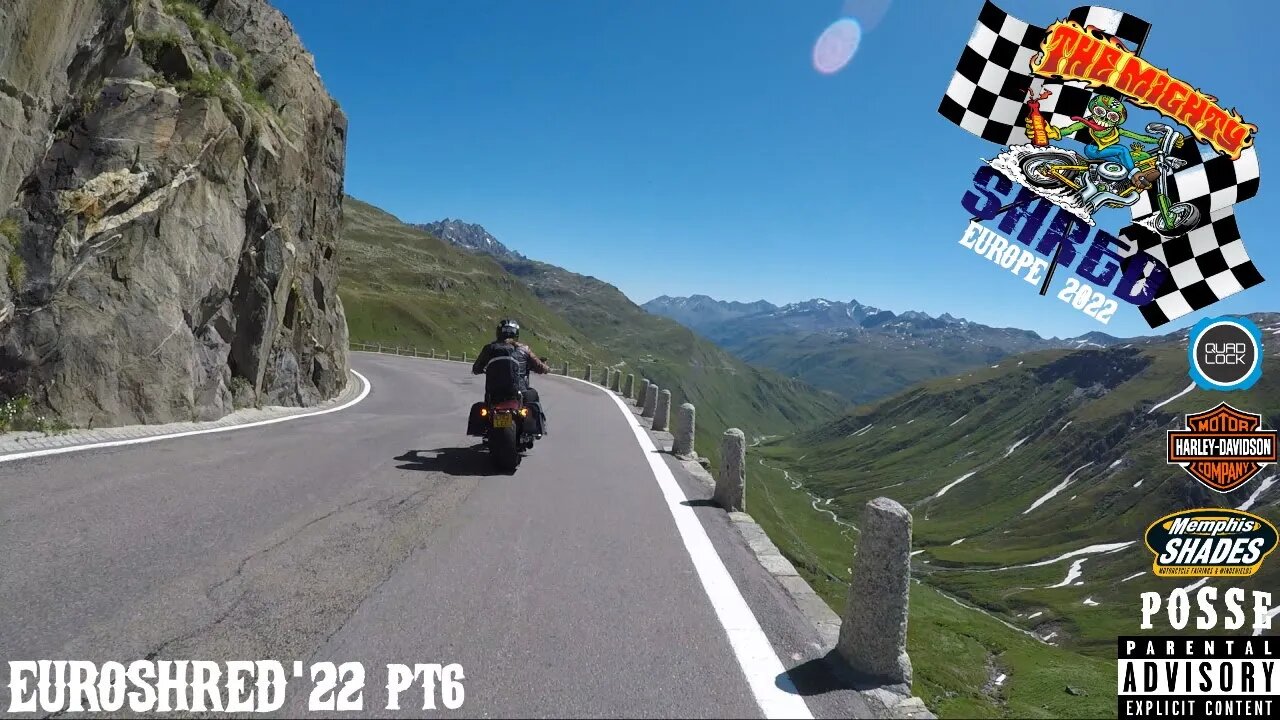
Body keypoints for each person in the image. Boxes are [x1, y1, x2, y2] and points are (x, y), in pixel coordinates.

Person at [1026, 94, 1182, 189]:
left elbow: (1141, 137)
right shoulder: (1087, 122)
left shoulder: (1117, 130)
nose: (1103, 119)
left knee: (1124, 163)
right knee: (1122, 151)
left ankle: (1128, 181)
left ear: (1116, 121)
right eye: (1100, 112)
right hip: (1093, 150)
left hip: (1106, 153)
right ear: (1094, 110)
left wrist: (1163, 140)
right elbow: (1069, 129)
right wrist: (1054, 132)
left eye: (1111, 117)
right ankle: (1137, 176)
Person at [472, 319, 550, 434]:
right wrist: (546, 368)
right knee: (533, 397)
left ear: (498, 332)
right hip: (519, 391)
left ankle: (486, 427)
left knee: (486, 403)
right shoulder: (524, 349)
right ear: (516, 333)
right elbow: (539, 366)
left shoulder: (489, 348)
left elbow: (476, 368)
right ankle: (537, 429)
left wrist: (482, 370)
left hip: (494, 392)